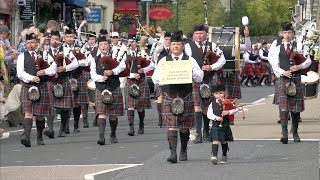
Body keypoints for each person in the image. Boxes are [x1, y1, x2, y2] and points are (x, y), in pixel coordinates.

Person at [152, 30, 203, 163]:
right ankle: (173, 153)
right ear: (171, 45)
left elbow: (200, 77)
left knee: (184, 126)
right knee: (172, 125)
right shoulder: (164, 60)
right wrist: (163, 75)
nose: (175, 46)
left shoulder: (189, 60)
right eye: (173, 44)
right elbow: (155, 79)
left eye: (178, 44)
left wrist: (191, 72)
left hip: (185, 96)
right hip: (169, 95)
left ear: (182, 46)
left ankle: (184, 150)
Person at [269, 22, 311, 144]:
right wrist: (283, 72)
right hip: (283, 79)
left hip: (296, 78)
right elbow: (273, 63)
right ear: (282, 33)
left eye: (289, 32)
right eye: (285, 32)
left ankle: (295, 132)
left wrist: (299, 66)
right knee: (283, 107)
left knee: (295, 109)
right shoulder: (278, 47)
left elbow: (308, 61)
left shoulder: (300, 45)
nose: (287, 35)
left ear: (293, 33)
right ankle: (284, 134)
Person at [185, 24, 226, 143]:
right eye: (197, 33)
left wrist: (212, 67)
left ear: (206, 34)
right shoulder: (188, 47)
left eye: (201, 33)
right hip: (195, 80)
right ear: (193, 35)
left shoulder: (212, 46)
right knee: (197, 107)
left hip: (209, 79)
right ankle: (198, 133)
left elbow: (222, 60)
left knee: (207, 107)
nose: (199, 35)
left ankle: (206, 132)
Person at [17, 33, 57, 147]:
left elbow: (53, 68)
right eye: (28, 43)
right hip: (27, 86)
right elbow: (20, 73)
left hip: (42, 86)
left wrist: (45, 72)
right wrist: (31, 78)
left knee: (40, 115)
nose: (30, 45)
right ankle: (27, 137)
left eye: (32, 43)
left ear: (37, 43)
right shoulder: (22, 56)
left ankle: (39, 137)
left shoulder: (44, 54)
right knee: (28, 113)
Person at [90, 36, 126, 145]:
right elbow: (92, 73)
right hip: (101, 88)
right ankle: (101, 137)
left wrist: (113, 72)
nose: (103, 46)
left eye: (105, 44)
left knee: (113, 114)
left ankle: (113, 134)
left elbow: (122, 66)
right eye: (101, 45)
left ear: (109, 45)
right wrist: (101, 78)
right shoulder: (95, 59)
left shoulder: (115, 56)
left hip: (114, 87)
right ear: (98, 47)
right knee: (101, 113)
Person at [125, 34, 152, 136]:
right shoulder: (124, 53)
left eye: (133, 41)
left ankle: (141, 124)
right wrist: (132, 74)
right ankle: (131, 128)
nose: (131, 44)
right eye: (129, 42)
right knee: (130, 106)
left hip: (141, 81)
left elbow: (152, 64)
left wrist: (143, 70)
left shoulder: (142, 53)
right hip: (130, 81)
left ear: (136, 43)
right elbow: (122, 67)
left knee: (140, 106)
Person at [207, 84, 238, 165]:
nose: (218, 95)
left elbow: (236, 109)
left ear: (224, 93)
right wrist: (216, 118)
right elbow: (209, 114)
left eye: (220, 93)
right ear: (213, 94)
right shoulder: (212, 104)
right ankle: (214, 156)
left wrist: (228, 112)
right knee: (215, 140)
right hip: (215, 126)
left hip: (225, 125)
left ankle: (224, 155)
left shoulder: (228, 102)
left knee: (223, 141)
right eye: (216, 94)